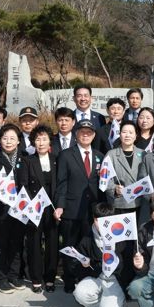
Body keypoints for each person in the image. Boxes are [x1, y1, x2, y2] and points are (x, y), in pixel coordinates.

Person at [54, 119, 104, 293]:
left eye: (89, 132)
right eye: (82, 132)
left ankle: (85, 279)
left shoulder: (100, 156)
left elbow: (102, 184)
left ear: (94, 135)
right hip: (71, 210)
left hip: (92, 212)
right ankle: (69, 279)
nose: (85, 135)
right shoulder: (66, 155)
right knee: (70, 246)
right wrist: (60, 206)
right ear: (76, 134)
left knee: (89, 247)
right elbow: (61, 183)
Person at [0, 124, 27, 294]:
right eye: (4, 138)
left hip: (20, 209)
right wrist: (0, 194)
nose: (8, 142)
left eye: (12, 138)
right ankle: (0, 278)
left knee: (17, 243)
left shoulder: (24, 157)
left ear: (18, 141)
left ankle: (14, 276)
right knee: (0, 244)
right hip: (0, 209)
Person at [17, 124, 59, 293]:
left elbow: (61, 184)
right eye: (37, 139)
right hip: (34, 207)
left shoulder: (56, 159)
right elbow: (23, 185)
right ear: (33, 142)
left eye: (44, 139)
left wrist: (59, 206)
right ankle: (35, 278)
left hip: (52, 207)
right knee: (34, 242)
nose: (41, 143)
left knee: (52, 243)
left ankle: (50, 278)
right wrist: (31, 204)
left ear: (50, 141)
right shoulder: (27, 160)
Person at [74, 203, 133, 307]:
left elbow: (129, 264)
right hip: (97, 277)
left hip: (116, 279)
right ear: (93, 219)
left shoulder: (122, 235)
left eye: (106, 221)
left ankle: (108, 305)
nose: (101, 224)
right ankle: (99, 306)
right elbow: (76, 264)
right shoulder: (87, 238)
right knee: (79, 293)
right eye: (98, 220)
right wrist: (83, 264)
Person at [104, 121, 146, 224]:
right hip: (119, 204)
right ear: (120, 134)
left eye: (131, 132)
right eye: (124, 132)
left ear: (136, 135)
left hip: (139, 203)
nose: (127, 135)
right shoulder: (111, 154)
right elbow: (105, 178)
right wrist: (114, 189)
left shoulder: (143, 154)